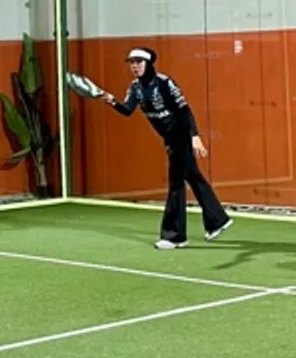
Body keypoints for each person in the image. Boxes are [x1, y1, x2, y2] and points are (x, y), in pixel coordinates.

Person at [99, 47, 233, 249]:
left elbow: (184, 111)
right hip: (169, 139)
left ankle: (174, 237)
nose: (134, 66)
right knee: (194, 177)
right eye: (132, 63)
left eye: (139, 62)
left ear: (148, 64)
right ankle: (218, 220)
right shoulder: (135, 87)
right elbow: (127, 110)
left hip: (181, 137)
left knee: (176, 184)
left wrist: (194, 137)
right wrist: (112, 101)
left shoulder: (165, 83)